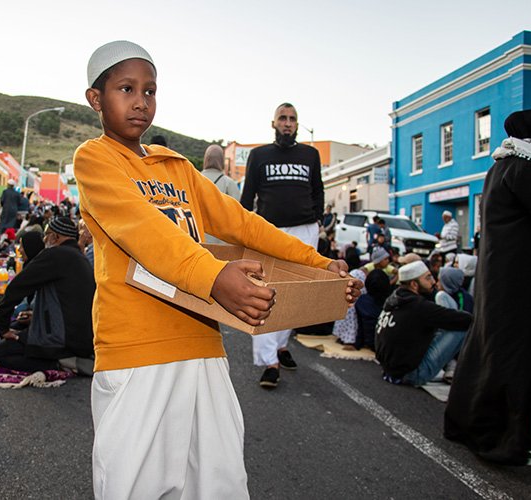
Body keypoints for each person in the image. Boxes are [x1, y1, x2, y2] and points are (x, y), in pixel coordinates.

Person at [75, 41, 361, 499]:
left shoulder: (178, 168)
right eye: (126, 89)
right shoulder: (95, 159)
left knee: (218, 484)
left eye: (150, 91)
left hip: (203, 345)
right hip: (137, 348)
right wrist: (213, 276)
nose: (141, 102)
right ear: (96, 99)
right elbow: (146, 231)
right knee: (136, 486)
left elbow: (243, 224)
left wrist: (319, 263)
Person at [444, 109, 531, 467]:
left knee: (488, 353)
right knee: (519, 364)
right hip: (525, 288)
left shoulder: (502, 167)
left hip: (501, 284)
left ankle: (469, 425)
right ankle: (505, 440)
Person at [239, 102, 325, 387]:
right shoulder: (259, 155)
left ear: (297, 125)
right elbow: (247, 196)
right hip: (269, 231)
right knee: (265, 292)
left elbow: (317, 190)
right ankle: (268, 362)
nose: (287, 123)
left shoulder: (310, 155)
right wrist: (242, 231)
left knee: (293, 294)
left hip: (304, 231)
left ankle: (280, 345)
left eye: (292, 119)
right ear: (273, 123)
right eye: (282, 118)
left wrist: (318, 220)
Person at [0, 217, 95, 374]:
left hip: (65, 340)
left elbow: (17, 287)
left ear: (55, 237)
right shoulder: (78, 257)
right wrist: (35, 317)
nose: (45, 240)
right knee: (18, 328)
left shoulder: (56, 254)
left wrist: (3, 327)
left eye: (47, 235)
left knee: (1, 352)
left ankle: (59, 363)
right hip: (82, 337)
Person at [375, 260, 472, 387]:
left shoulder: (394, 299)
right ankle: (464, 369)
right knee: (464, 326)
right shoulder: (418, 307)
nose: (433, 282)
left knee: (443, 301)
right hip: (412, 374)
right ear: (414, 284)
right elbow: (464, 320)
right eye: (428, 278)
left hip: (389, 369)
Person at [354, 269, 391, 351]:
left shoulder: (361, 301)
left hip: (370, 343)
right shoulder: (392, 302)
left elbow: (360, 327)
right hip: (387, 344)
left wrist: (357, 345)